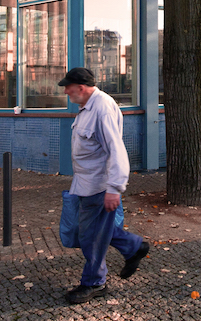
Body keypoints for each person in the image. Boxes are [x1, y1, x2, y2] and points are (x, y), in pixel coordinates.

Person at [59, 67, 150, 304]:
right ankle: (134, 246)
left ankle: (94, 283)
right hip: (87, 185)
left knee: (91, 237)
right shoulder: (87, 107)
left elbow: (116, 150)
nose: (66, 91)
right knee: (94, 232)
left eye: (68, 87)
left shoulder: (101, 108)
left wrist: (114, 189)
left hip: (99, 187)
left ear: (81, 87)